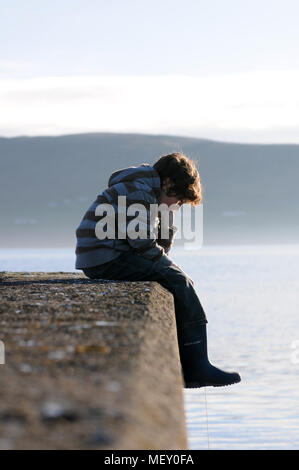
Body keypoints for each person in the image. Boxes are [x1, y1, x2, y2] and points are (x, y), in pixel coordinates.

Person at [75, 152, 241, 388]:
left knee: (176, 278)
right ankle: (198, 367)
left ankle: (194, 363)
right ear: (169, 183)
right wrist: (173, 269)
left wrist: (165, 219)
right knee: (179, 281)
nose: (178, 205)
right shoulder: (138, 192)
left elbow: (157, 249)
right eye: (180, 201)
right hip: (106, 256)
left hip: (108, 254)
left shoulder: (148, 193)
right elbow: (142, 244)